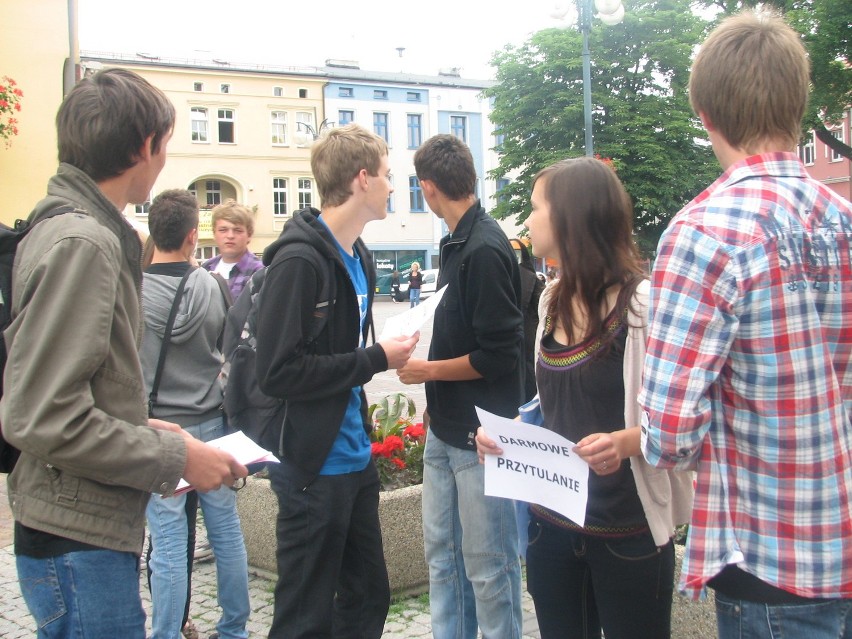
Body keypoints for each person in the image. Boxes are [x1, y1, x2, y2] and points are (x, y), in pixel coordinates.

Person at [0, 68, 246, 638]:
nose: (165, 159)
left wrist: (150, 427)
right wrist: (176, 458)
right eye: (165, 144)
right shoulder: (84, 243)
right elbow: (43, 415)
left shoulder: (73, 228)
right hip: (76, 538)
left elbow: (73, 391)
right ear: (143, 148)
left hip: (76, 527)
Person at [638, 10, 852, 638]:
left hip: (767, 561)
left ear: (706, 114)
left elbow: (669, 432)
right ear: (797, 105)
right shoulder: (845, 220)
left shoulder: (704, 232)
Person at [476, 157, 694, 639]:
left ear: (571, 217)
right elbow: (549, 407)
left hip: (626, 530)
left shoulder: (643, 305)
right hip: (550, 527)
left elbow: (683, 421)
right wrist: (504, 438)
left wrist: (623, 443)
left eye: (535, 207)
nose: (527, 220)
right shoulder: (550, 299)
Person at [254, 123, 419, 639]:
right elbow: (278, 372)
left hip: (354, 459)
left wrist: (374, 357)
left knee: (369, 596)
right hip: (312, 467)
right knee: (305, 614)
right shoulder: (300, 260)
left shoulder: (361, 257)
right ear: (362, 179)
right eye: (390, 176)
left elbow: (343, 357)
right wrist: (376, 358)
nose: (394, 187)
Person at [398, 134, 525, 638]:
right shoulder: (454, 242)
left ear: (428, 187)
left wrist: (427, 372)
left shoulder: (485, 247)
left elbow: (499, 355)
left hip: (482, 439)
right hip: (446, 430)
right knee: (443, 560)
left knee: (489, 568)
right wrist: (435, 401)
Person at [141, 189, 250, 639]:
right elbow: (230, 347)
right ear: (193, 236)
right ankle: (234, 629)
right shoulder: (211, 284)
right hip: (210, 421)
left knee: (167, 541)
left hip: (160, 428)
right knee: (226, 529)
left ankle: (167, 632)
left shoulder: (132, 289)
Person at [202, 199, 264, 301]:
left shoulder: (259, 272)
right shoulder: (207, 268)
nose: (230, 236)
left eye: (237, 230)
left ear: (249, 235)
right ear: (214, 234)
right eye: (223, 230)